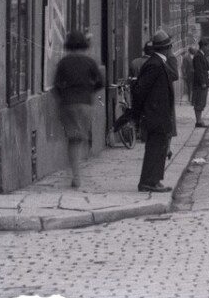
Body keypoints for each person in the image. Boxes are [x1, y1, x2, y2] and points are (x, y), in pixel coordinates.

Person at [117, 29, 178, 193]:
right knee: (155, 149)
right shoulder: (155, 65)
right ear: (167, 47)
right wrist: (150, 109)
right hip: (155, 115)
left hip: (158, 114)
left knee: (158, 148)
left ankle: (154, 180)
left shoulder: (157, 62)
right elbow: (140, 90)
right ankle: (148, 182)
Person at [52, 30, 105, 188]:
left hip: (68, 103)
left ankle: (75, 173)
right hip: (85, 102)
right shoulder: (89, 62)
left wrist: (63, 96)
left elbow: (56, 85)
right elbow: (100, 82)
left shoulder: (63, 62)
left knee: (72, 139)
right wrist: (89, 90)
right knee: (79, 139)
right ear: (83, 44)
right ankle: (76, 174)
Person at [186, 43, 209, 127]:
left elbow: (205, 67)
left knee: (202, 102)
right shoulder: (198, 56)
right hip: (200, 84)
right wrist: (203, 83)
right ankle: (198, 121)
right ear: (203, 46)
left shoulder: (201, 55)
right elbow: (199, 70)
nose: (208, 48)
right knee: (199, 102)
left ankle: (199, 120)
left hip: (203, 82)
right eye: (207, 46)